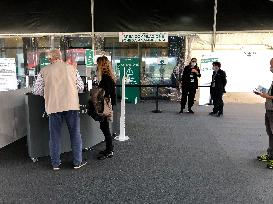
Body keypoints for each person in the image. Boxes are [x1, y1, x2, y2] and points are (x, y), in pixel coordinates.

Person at [33, 49, 86, 170]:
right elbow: (80, 87)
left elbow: (37, 90)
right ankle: (77, 162)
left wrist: (49, 93)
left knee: (55, 136)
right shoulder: (72, 68)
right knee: (75, 134)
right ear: (60, 57)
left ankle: (55, 164)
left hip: (53, 106)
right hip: (71, 105)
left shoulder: (44, 71)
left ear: (51, 58)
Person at [96, 56, 116, 160]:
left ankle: (109, 151)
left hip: (104, 106)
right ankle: (109, 148)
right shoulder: (109, 76)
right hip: (107, 105)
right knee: (104, 127)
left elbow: (106, 93)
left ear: (101, 65)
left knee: (105, 128)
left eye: (97, 64)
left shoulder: (105, 78)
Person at [256, 58, 273, 169]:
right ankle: (271, 154)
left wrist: (266, 96)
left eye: (271, 65)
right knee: (270, 133)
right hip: (269, 109)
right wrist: (265, 93)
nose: (270, 67)